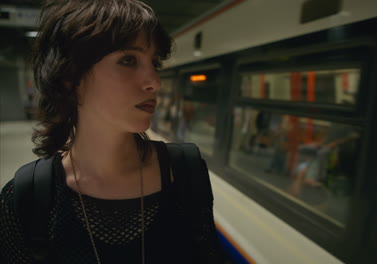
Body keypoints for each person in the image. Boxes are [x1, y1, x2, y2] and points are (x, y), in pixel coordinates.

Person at [0, 0, 222, 263]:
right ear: (70, 76)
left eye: (155, 63)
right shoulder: (28, 197)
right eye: (128, 60)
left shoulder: (187, 171)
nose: (155, 81)